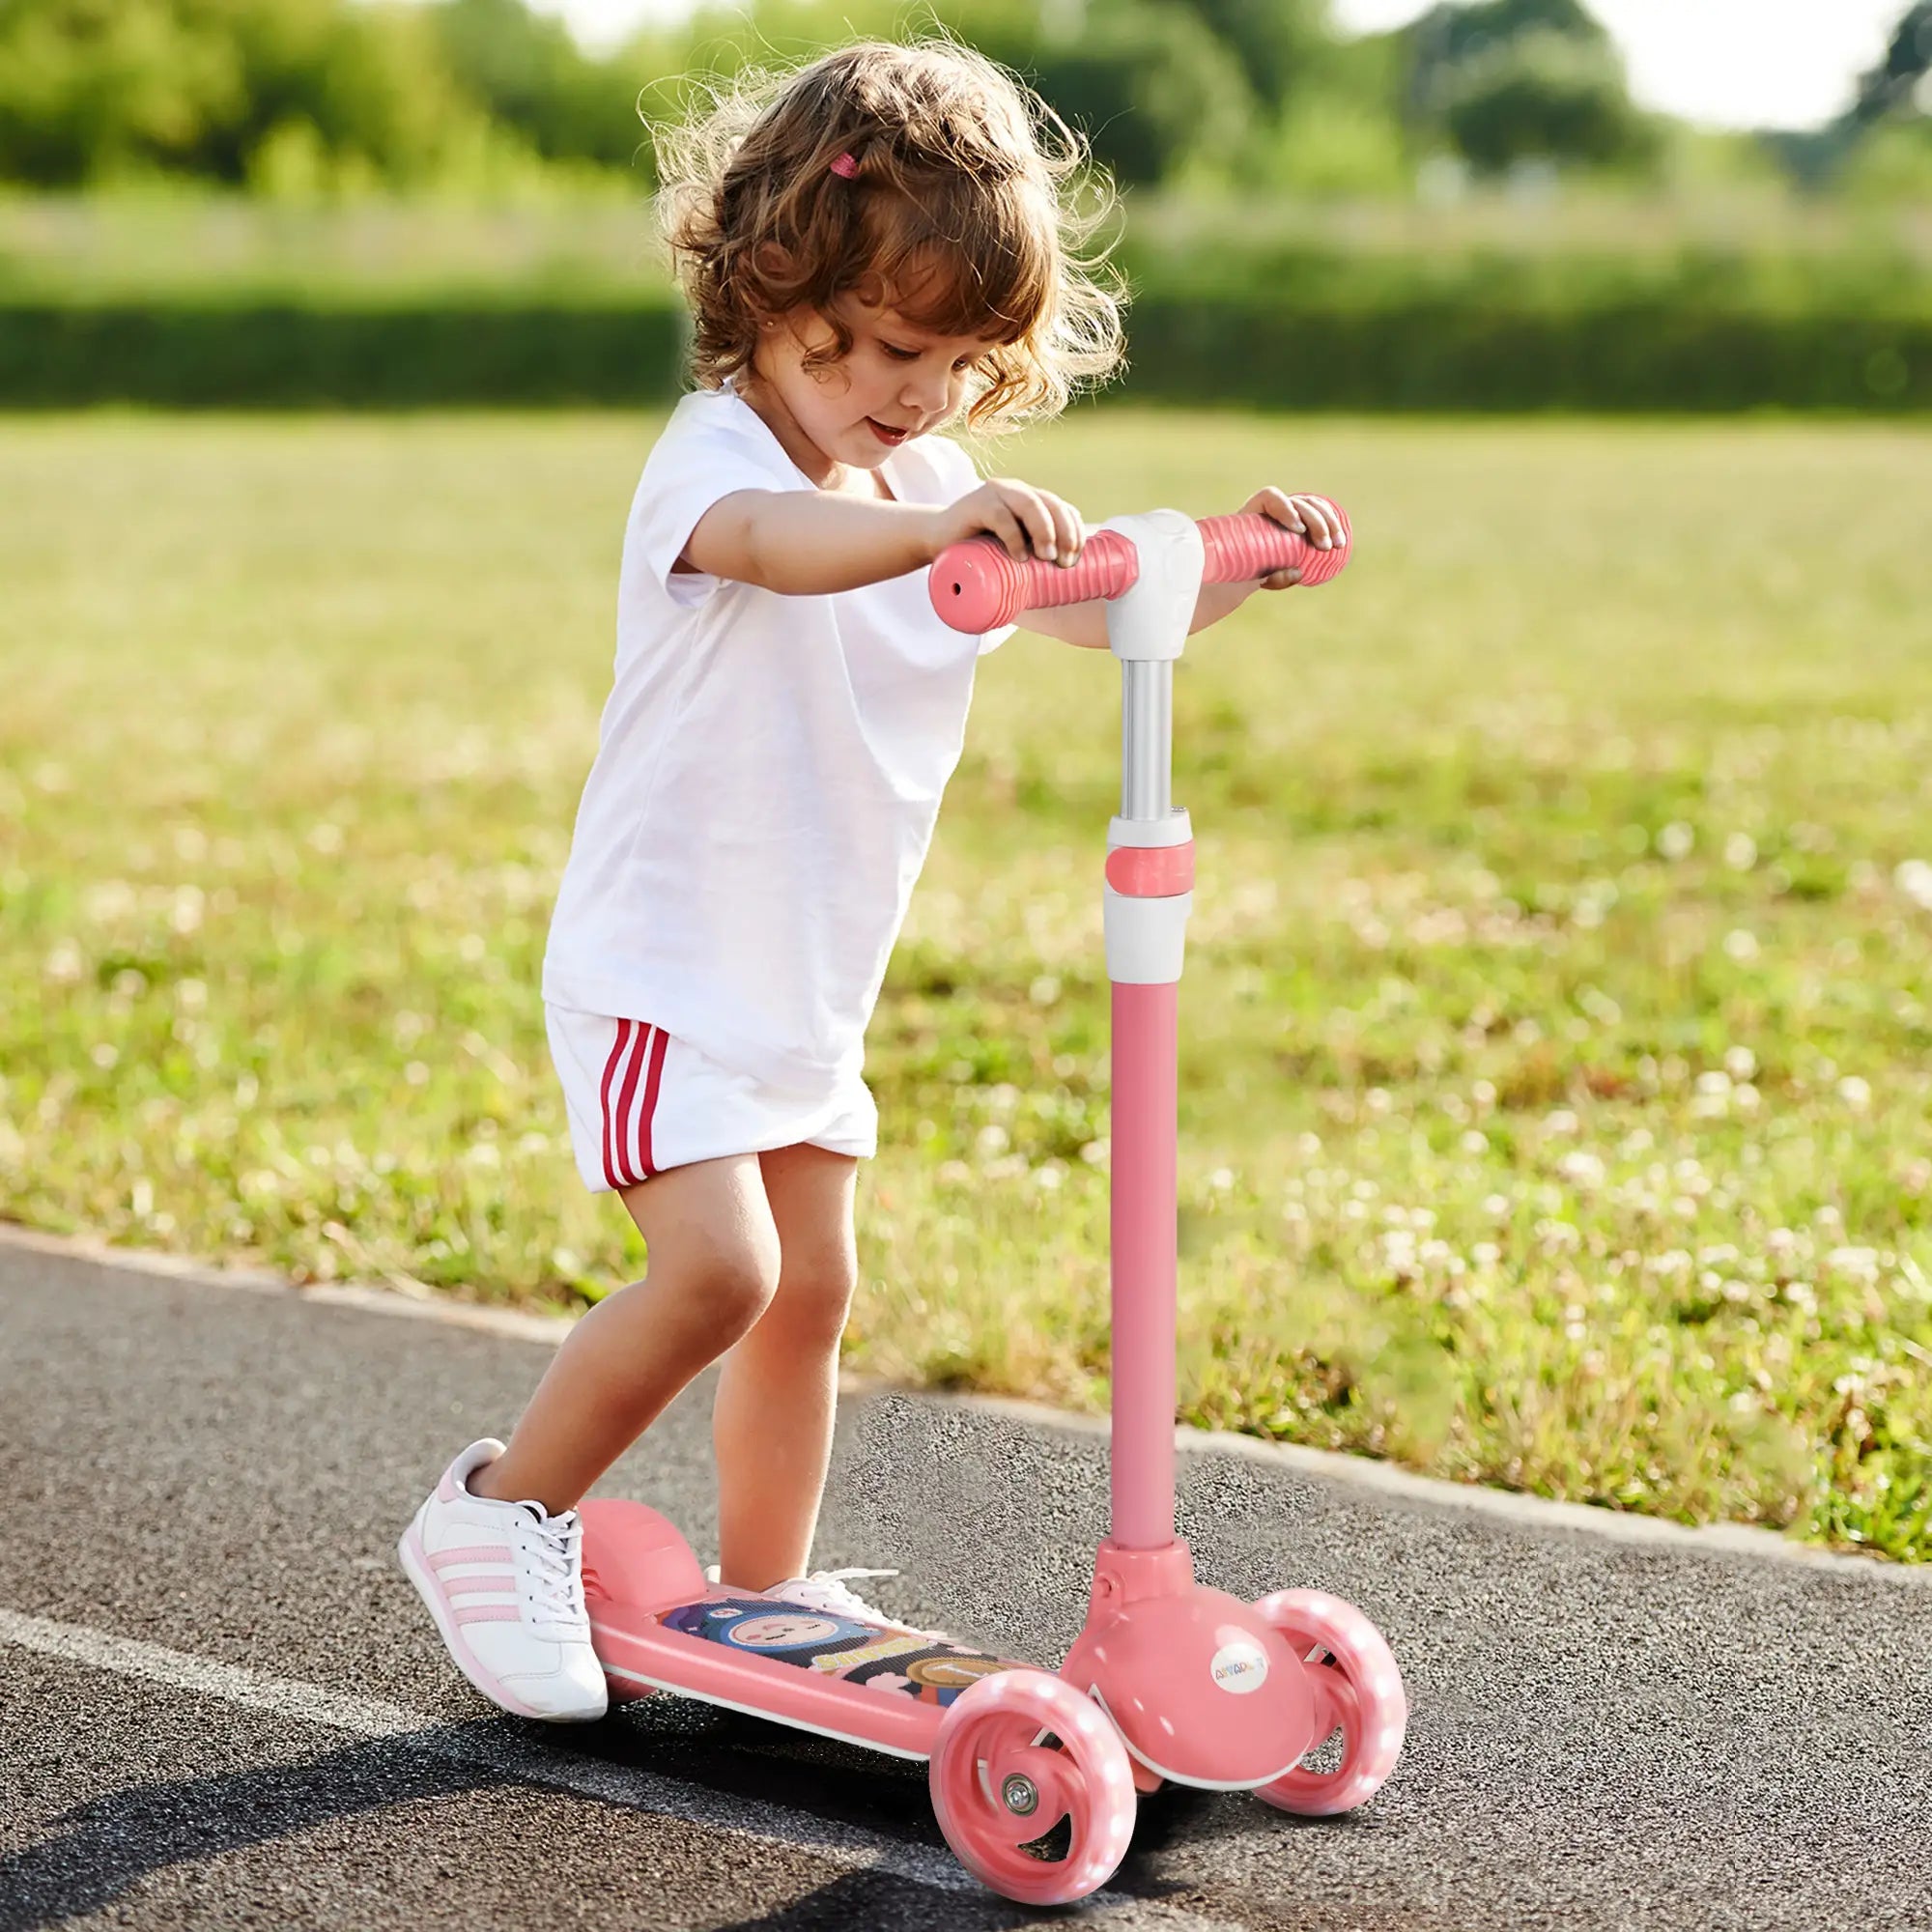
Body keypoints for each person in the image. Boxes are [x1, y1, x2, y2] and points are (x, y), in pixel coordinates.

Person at [397, 35, 1344, 1721]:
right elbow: (782, 552)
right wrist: (931, 527)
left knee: (813, 1290)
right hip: (663, 978)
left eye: (959, 363)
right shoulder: (719, 466)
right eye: (891, 349)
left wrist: (1221, 566)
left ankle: (765, 1597)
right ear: (774, 289)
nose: (918, 397)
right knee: (723, 1273)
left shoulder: (921, 489)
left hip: (802, 988)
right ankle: (496, 1517)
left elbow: (1093, 603)